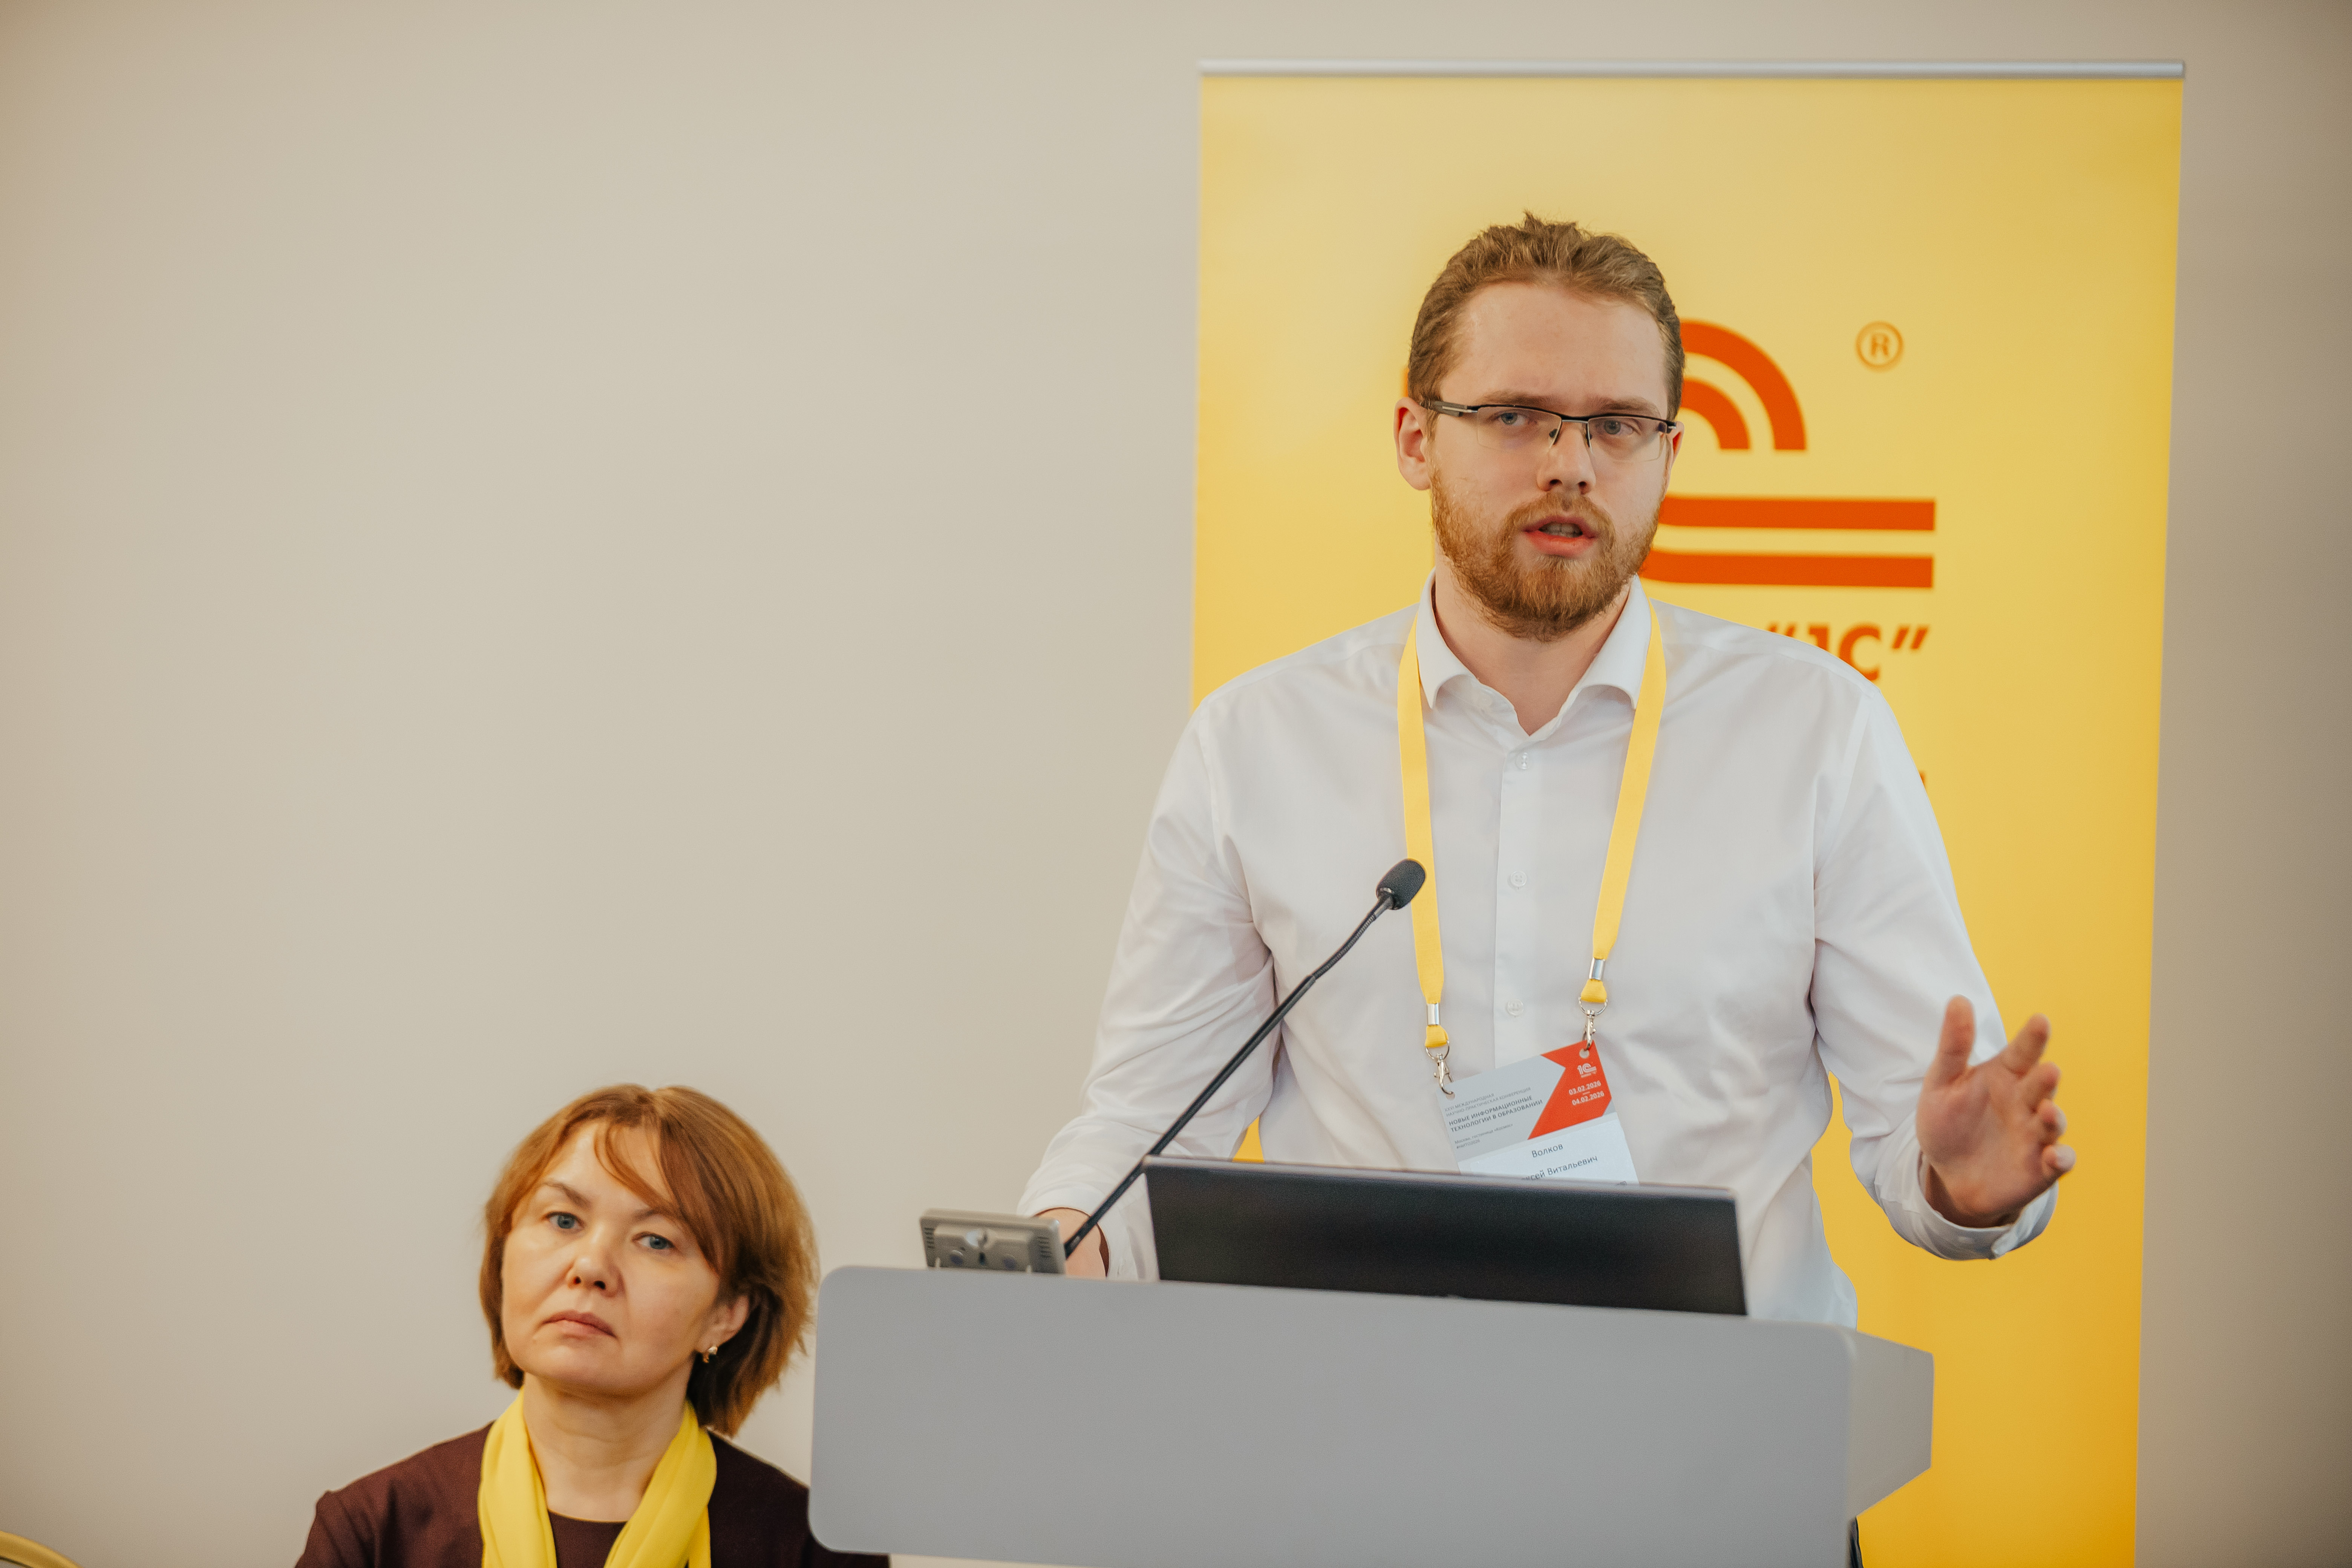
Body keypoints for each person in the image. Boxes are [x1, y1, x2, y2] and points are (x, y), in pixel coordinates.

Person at [1022, 214, 2073, 1329]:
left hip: (1718, 1421)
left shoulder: (1818, 732)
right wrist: (1050, 1256)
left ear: (1669, 455)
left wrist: (1965, 1182)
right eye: (1515, 415)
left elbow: (1930, 1140)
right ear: (1416, 439)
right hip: (1364, 1413)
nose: (1570, 463)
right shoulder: (1257, 745)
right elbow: (1147, 1128)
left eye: (1617, 425)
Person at [297, 1084, 881, 1567]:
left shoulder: (817, 1553)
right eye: (563, 1220)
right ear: (502, 1257)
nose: (591, 1266)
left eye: (656, 1240)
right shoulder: (372, 1533)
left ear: (726, 1315)